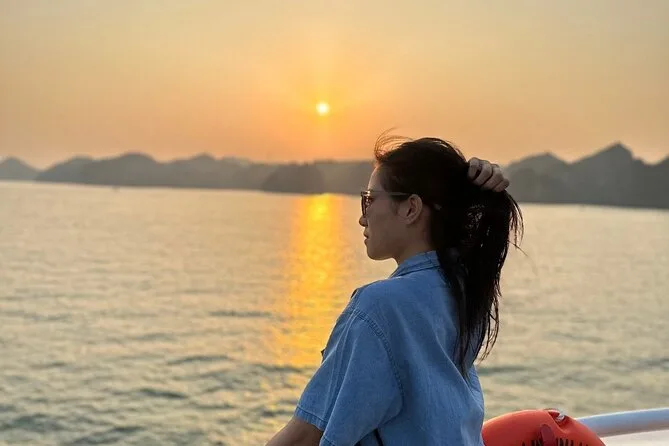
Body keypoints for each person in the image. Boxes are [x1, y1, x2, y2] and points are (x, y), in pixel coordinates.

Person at [267, 136, 522, 446]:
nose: (362, 217)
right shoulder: (463, 289)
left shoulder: (381, 307)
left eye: (369, 200)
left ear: (411, 208)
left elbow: (305, 436)